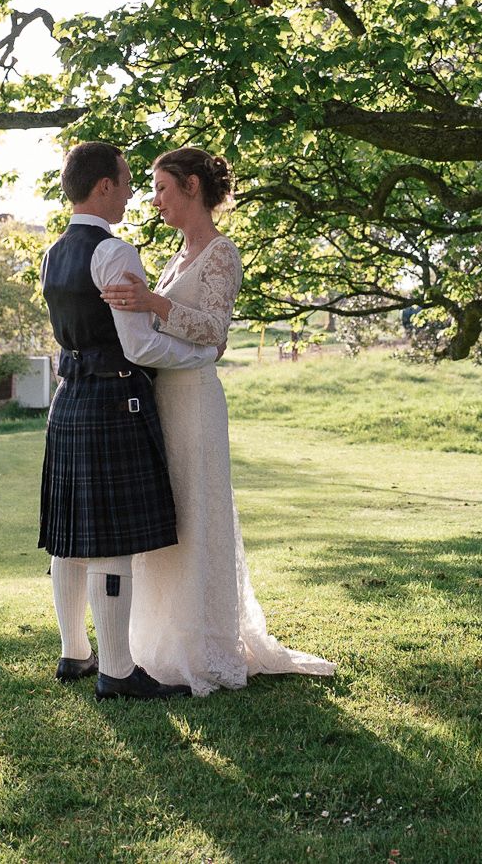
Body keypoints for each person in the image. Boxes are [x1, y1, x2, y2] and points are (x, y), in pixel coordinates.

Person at [99, 146, 336, 695]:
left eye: (161, 188)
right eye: (152, 188)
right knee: (168, 523)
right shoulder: (175, 257)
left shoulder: (221, 254)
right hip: (163, 401)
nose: (153, 200)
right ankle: (157, 647)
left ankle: (204, 648)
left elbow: (213, 332)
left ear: (191, 188)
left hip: (197, 404)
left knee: (199, 518)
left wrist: (152, 304)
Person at [38, 141, 220, 701]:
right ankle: (117, 670)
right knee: (112, 537)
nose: (134, 192)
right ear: (104, 188)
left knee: (69, 536)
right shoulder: (114, 253)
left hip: (67, 397)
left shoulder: (53, 252)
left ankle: (75, 654)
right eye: (126, 181)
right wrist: (200, 357)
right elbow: (139, 347)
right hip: (114, 399)